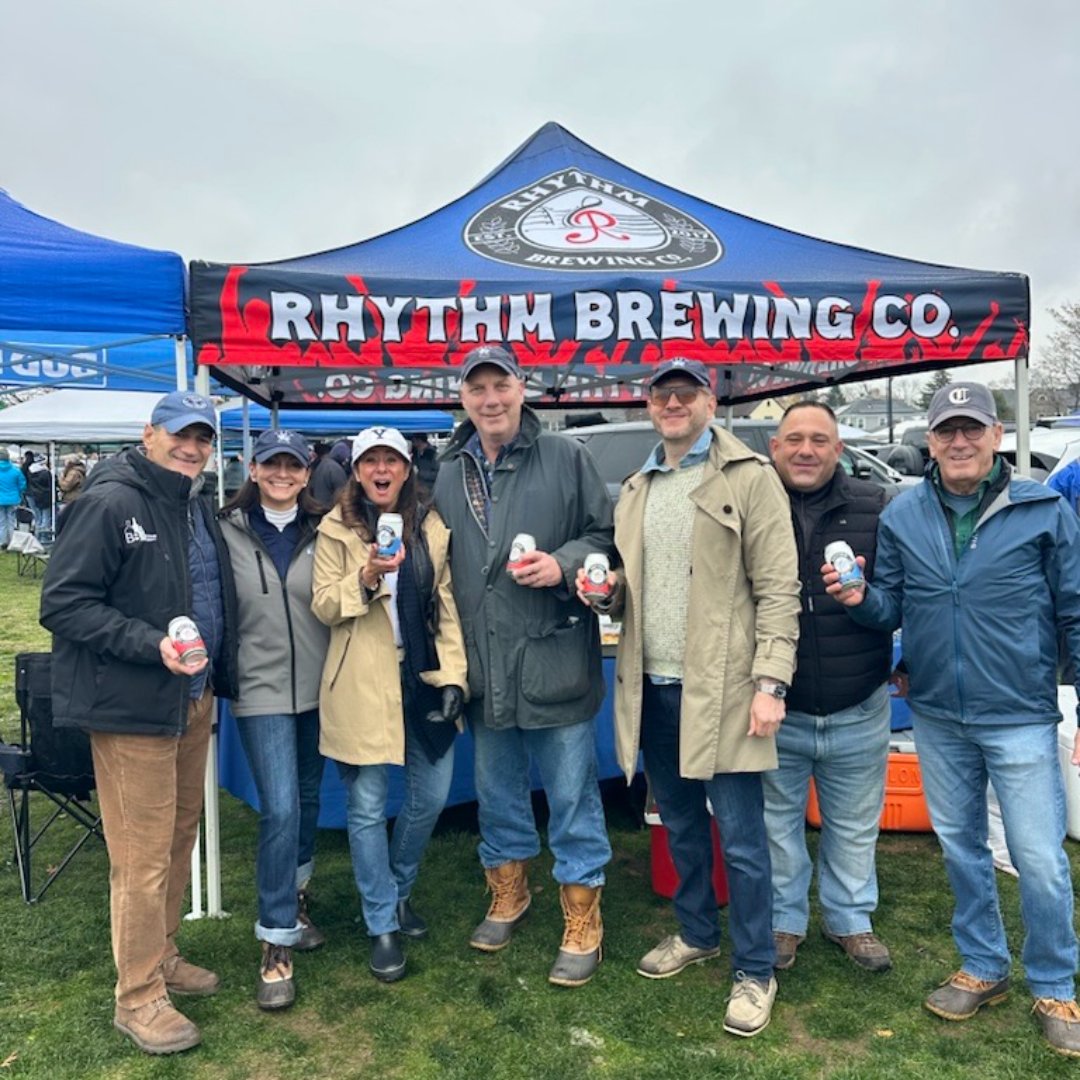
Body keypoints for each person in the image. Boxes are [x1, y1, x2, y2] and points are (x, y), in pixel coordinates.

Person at [826, 381, 1080, 1057]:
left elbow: (1074, 609)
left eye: (972, 429)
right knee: (962, 847)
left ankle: (1054, 981)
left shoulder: (1044, 508)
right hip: (937, 712)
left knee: (1037, 857)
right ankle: (985, 966)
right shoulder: (904, 515)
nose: (960, 442)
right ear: (930, 441)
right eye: (946, 432)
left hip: (1021, 711)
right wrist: (859, 597)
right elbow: (892, 608)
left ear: (996, 435)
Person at [580, 358, 799, 1037]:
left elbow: (779, 588)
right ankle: (699, 932)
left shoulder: (750, 477)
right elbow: (635, 584)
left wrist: (771, 683)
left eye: (687, 393)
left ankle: (755, 970)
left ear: (709, 401)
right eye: (661, 394)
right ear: (649, 405)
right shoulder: (640, 485)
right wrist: (607, 594)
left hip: (728, 691)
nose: (673, 403)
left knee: (741, 838)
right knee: (678, 826)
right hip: (653, 684)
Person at [39, 390, 238, 1056]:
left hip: (191, 699)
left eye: (203, 438)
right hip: (132, 709)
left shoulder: (191, 504)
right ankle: (138, 998)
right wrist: (146, 642)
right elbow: (63, 604)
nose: (192, 447)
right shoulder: (108, 501)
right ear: (149, 434)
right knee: (141, 859)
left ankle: (163, 954)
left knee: (179, 835)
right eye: (181, 434)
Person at [434, 344, 614, 988]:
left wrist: (562, 566)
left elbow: (604, 536)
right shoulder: (447, 468)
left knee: (570, 794)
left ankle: (582, 911)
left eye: (500, 385)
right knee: (498, 791)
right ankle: (510, 890)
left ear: (522, 387)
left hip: (552, 656)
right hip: (483, 667)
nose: (490, 399)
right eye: (477, 388)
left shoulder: (567, 456)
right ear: (463, 397)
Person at [312, 426, 466, 983]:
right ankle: (381, 919)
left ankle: (398, 890)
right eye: (370, 461)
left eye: (391, 461)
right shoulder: (334, 529)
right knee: (368, 806)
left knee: (432, 796)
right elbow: (325, 604)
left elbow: (445, 605)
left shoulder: (431, 524)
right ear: (356, 471)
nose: (381, 469)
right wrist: (367, 576)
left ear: (406, 468)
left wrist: (453, 676)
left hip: (420, 675)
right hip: (360, 680)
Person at [764, 402, 894, 973]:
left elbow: (897, 604)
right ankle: (783, 922)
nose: (806, 450)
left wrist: (865, 601)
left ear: (839, 450)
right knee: (777, 825)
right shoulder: (754, 505)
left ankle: (849, 919)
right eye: (794, 439)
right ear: (774, 447)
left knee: (853, 824)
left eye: (819, 440)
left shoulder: (875, 506)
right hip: (779, 705)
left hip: (857, 703)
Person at [218, 429, 330, 1010]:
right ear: (254, 471)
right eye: (271, 464)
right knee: (280, 807)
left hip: (320, 690)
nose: (282, 473)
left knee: (308, 800)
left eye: (292, 465)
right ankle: (275, 940)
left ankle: (297, 894)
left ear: (307, 473)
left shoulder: (328, 527)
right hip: (259, 691)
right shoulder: (223, 531)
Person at [0, 447, 27, 548]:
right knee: (12, 521)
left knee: (1, 521)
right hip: (13, 499)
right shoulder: (16, 470)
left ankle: (3, 542)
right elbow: (23, 485)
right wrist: (18, 492)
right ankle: (12, 542)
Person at [308, 440, 348, 506]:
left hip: (319, 507)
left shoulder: (321, 465)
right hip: (330, 509)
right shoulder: (334, 468)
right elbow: (343, 492)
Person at [27, 454, 54, 534]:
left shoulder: (30, 471)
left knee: (37, 517)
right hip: (45, 496)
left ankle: (37, 534)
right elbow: (50, 484)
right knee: (46, 517)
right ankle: (44, 536)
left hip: (34, 495)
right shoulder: (46, 473)